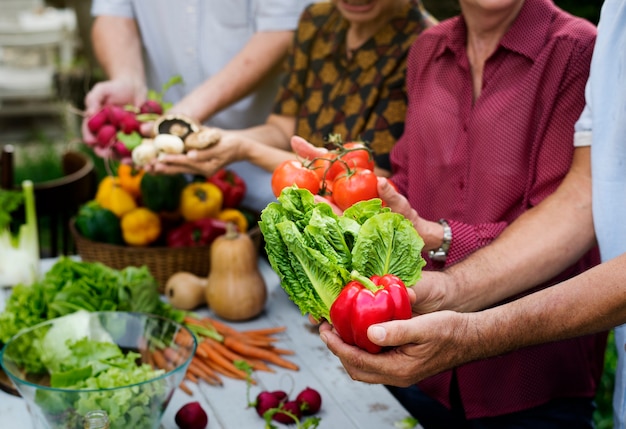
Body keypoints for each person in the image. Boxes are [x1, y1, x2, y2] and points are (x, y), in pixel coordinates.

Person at [295, 0, 604, 427]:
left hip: (525, 379)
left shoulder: (578, 51)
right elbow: (410, 173)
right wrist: (354, 193)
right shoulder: (427, 48)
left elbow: (570, 216)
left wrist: (439, 236)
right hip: (415, 360)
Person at [147, 0, 436, 182]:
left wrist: (244, 149)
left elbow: (368, 178)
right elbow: (283, 127)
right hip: (302, 214)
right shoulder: (316, 20)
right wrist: (209, 140)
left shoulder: (424, 46)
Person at [82, 0, 310, 212]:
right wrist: (127, 79)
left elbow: (284, 29)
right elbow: (113, 13)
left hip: (266, 159)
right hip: (169, 169)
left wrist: (181, 117)